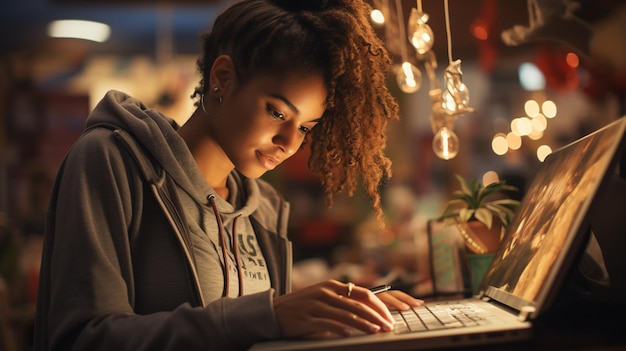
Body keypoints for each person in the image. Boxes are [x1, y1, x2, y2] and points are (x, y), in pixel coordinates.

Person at [33, 0, 424, 350]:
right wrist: (268, 315)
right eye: (277, 112)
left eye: (306, 127)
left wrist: (341, 312)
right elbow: (83, 338)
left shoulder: (265, 208)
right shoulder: (110, 162)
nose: (290, 143)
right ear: (222, 77)